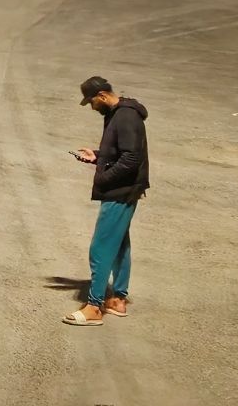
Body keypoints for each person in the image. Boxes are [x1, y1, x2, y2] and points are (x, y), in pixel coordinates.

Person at [64, 77, 150, 326]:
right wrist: (98, 157)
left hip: (120, 191)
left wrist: (104, 177)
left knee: (100, 249)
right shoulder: (119, 113)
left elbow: (131, 158)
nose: (91, 106)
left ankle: (94, 307)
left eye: (92, 101)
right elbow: (122, 152)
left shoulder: (125, 117)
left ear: (101, 95)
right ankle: (118, 300)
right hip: (124, 189)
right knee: (119, 245)